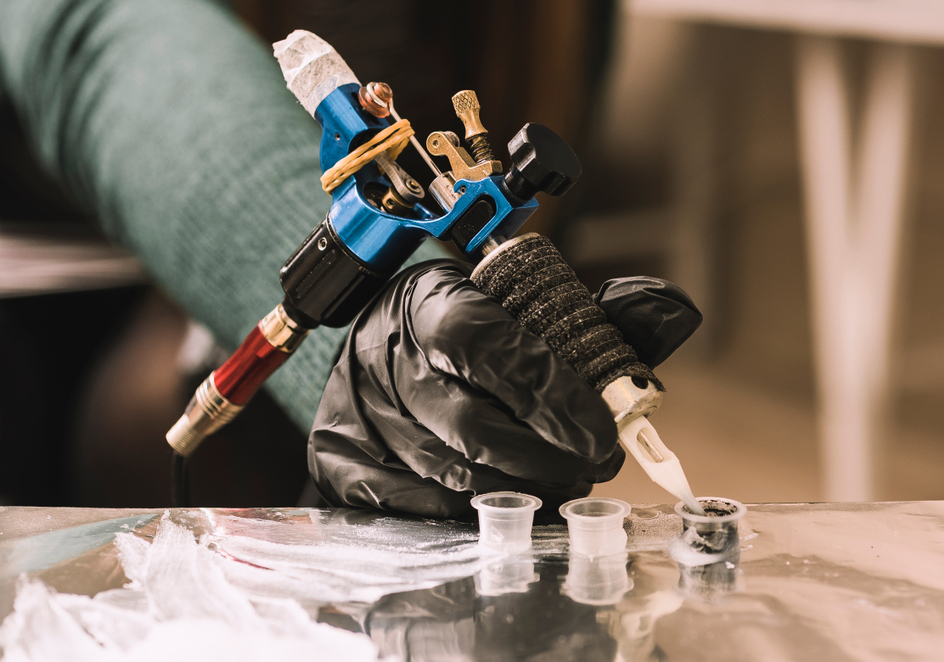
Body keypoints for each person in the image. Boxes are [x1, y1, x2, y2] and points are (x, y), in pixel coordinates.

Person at [0, 0, 700, 517]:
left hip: (427, 296)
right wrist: (376, 326)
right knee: (158, 422)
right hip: (79, 278)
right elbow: (104, 40)